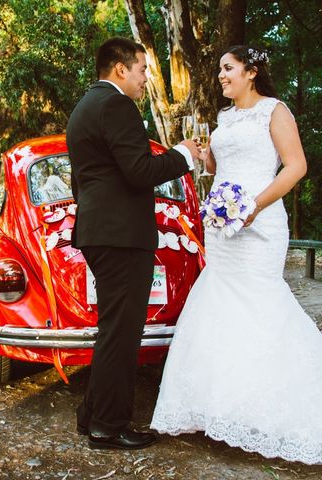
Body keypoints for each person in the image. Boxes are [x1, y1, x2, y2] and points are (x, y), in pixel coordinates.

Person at [151, 46, 321, 465]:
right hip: (221, 228)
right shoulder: (224, 119)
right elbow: (216, 168)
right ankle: (220, 410)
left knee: (259, 303)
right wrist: (204, 157)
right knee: (219, 304)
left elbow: (295, 167)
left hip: (260, 224)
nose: (221, 76)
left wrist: (253, 206)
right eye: (220, 70)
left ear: (252, 71)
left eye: (228, 69)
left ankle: (270, 411)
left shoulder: (275, 111)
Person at [66, 37, 199, 450]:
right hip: (120, 237)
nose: (145, 79)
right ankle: (109, 424)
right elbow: (139, 172)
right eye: (142, 70)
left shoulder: (86, 107)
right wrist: (183, 154)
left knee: (114, 330)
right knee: (122, 333)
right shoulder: (117, 105)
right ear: (120, 69)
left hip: (101, 232)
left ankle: (93, 416)